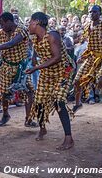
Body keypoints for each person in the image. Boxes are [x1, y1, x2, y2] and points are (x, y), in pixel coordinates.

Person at [26, 12, 74, 150]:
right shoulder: (34, 38)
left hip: (63, 71)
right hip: (47, 72)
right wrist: (35, 56)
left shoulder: (53, 35)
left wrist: (36, 67)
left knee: (59, 102)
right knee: (39, 101)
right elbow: (37, 47)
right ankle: (42, 128)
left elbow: (57, 57)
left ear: (36, 22)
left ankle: (69, 138)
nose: (28, 25)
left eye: (30, 22)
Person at [0, 12, 36, 127]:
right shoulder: (2, 33)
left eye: (2, 23)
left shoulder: (21, 30)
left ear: (9, 22)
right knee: (4, 93)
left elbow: (11, 44)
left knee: (29, 91)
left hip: (21, 67)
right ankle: (5, 115)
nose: (1, 26)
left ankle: (28, 119)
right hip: (5, 67)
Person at [73, 5, 102, 119]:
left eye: (95, 12)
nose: (92, 13)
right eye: (90, 12)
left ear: (100, 13)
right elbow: (90, 45)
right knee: (77, 81)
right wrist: (83, 56)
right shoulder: (87, 26)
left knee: (101, 80)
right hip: (91, 58)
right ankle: (78, 104)